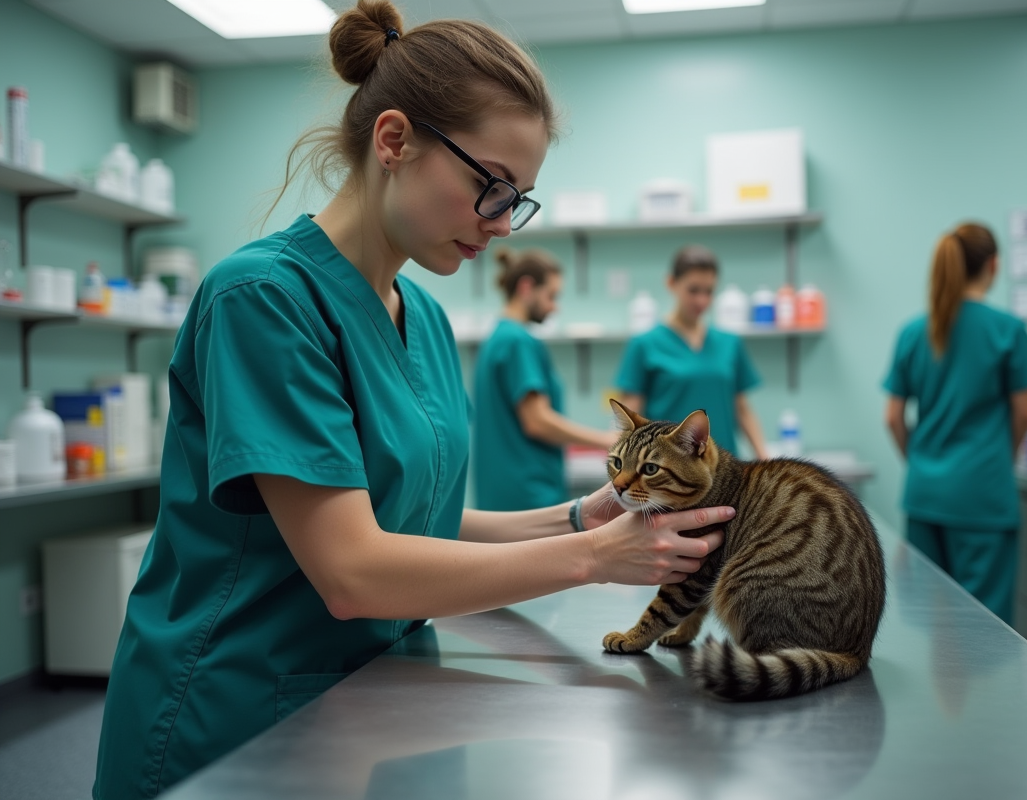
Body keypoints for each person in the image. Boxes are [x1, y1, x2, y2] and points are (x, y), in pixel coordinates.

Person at [92, 4, 728, 797]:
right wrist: (593, 562)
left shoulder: (419, 314)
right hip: (236, 718)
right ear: (393, 142)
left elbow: (404, 516)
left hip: (369, 705)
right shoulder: (261, 300)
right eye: (492, 188)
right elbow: (353, 568)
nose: (502, 225)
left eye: (518, 199)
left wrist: (576, 519)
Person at [883, 222, 1027, 624]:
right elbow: (1024, 412)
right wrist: (998, 459)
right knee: (985, 630)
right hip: (983, 495)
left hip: (925, 494)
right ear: (993, 265)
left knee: (930, 621)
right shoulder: (1007, 330)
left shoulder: (913, 332)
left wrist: (920, 461)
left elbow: (892, 418)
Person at [473, 247, 616, 511]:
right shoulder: (517, 341)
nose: (554, 307)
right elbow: (537, 421)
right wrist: (607, 440)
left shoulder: (496, 338)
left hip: (503, 492)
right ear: (527, 288)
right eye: (551, 296)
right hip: (529, 494)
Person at [615, 245, 769, 459]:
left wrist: (765, 459)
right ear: (671, 283)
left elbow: (742, 410)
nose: (702, 301)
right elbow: (629, 421)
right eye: (693, 290)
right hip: (668, 473)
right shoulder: (644, 344)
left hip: (724, 470)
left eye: (709, 291)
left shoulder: (729, 343)